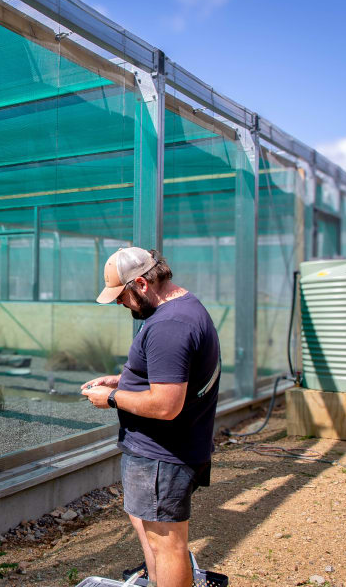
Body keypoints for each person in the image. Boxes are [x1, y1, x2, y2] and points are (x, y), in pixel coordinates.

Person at [81, 247, 220, 587]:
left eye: (121, 296)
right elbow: (173, 374)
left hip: (163, 454)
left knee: (167, 544)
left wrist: (111, 397)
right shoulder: (182, 309)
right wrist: (123, 380)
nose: (120, 303)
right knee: (151, 533)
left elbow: (166, 405)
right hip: (165, 450)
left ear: (142, 284)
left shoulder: (170, 325)